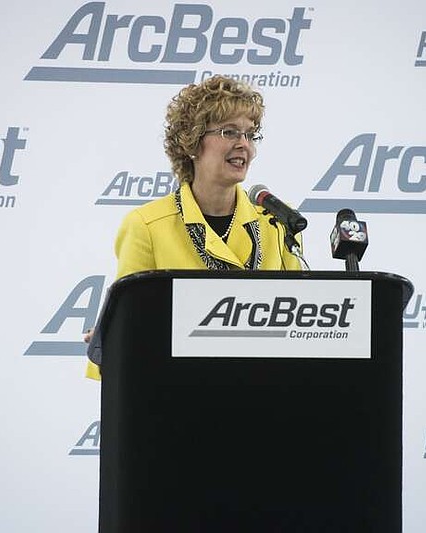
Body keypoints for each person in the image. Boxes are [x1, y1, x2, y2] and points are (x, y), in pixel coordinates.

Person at [85, 75, 302, 379]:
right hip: (178, 394)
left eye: (250, 135)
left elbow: (299, 323)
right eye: (230, 132)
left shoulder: (275, 223)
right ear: (191, 142)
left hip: (263, 389)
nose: (244, 145)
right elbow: (128, 327)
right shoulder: (146, 226)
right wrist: (118, 338)